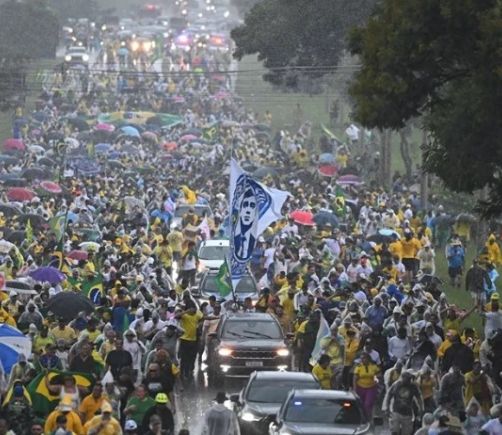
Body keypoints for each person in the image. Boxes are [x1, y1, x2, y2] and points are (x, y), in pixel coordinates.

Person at [384, 370, 423, 435]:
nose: (408, 381)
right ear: (402, 378)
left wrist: (421, 408)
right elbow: (389, 396)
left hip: (407, 413)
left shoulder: (413, 386)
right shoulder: (396, 385)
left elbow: (419, 397)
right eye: (407, 379)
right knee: (394, 431)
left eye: (409, 379)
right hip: (396, 411)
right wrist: (387, 408)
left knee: (406, 433)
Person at [353, 352, 380, 420]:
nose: (363, 360)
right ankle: (361, 418)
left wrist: (376, 380)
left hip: (371, 388)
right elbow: (355, 378)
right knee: (360, 404)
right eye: (362, 358)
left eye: (364, 358)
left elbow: (378, 375)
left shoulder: (373, 366)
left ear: (368, 359)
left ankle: (368, 418)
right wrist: (354, 389)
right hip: (360, 387)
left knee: (367, 404)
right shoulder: (359, 367)